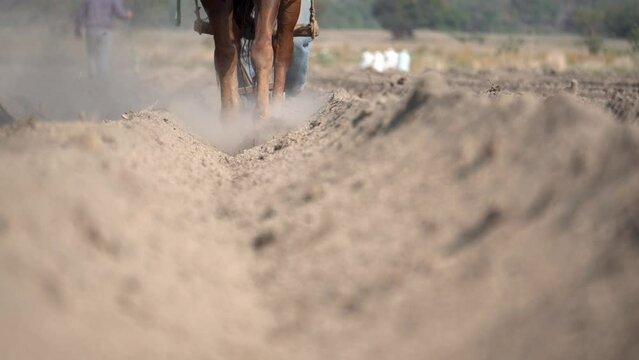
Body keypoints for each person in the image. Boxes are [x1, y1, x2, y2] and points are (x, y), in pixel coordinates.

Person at [75, 0, 133, 78]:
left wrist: (78, 28)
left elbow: (80, 13)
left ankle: (92, 77)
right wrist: (127, 15)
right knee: (104, 54)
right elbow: (119, 12)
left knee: (91, 54)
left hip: (91, 29)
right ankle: (102, 78)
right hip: (106, 30)